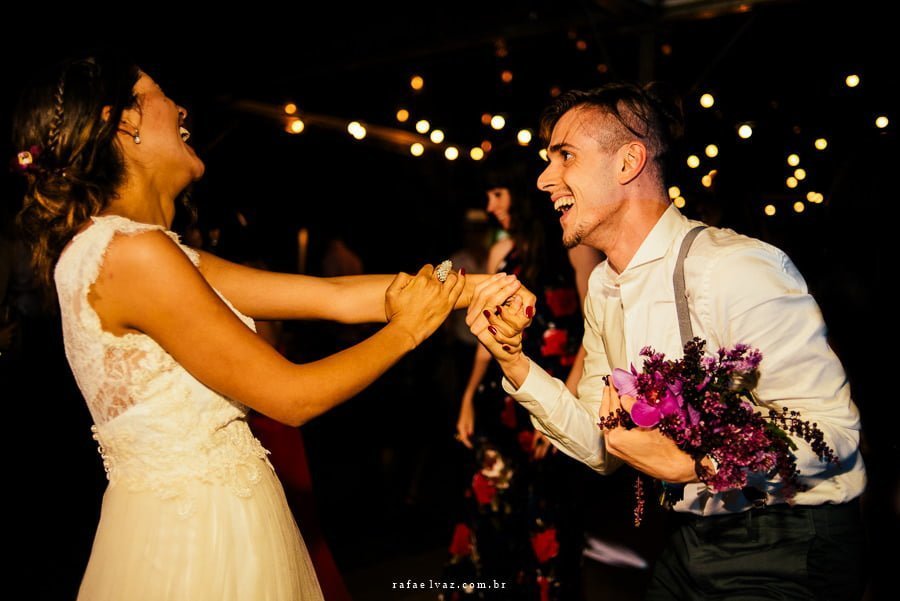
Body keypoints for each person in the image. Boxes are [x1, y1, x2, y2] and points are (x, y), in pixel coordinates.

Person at [11, 54, 521, 601]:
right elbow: (291, 396)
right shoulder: (132, 255)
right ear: (126, 121)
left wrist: (483, 289)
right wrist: (407, 332)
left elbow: (335, 297)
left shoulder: (130, 250)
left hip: (203, 517)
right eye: (159, 93)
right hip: (200, 539)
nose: (181, 109)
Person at [468, 83, 866, 600]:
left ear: (628, 161)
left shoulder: (734, 268)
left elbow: (834, 433)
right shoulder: (605, 292)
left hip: (789, 539)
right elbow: (599, 446)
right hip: (688, 538)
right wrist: (514, 361)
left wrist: (703, 463)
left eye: (564, 156)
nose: (544, 180)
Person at [446, 157, 600, 600]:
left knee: (547, 516)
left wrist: (564, 407)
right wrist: (468, 397)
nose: (491, 205)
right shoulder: (500, 253)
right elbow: (485, 334)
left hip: (554, 391)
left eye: (497, 194)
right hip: (503, 399)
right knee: (491, 510)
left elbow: (596, 328)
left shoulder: (573, 245)